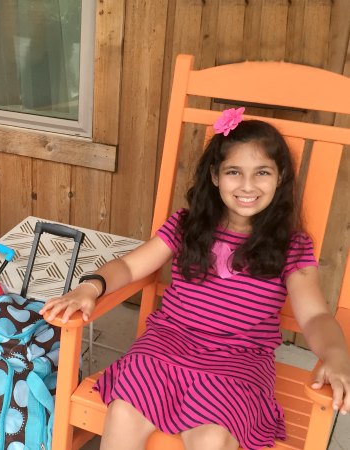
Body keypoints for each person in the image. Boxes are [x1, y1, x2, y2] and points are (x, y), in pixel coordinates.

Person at [41, 108, 350, 450]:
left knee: (212, 438)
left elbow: (316, 316)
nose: (248, 185)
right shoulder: (186, 226)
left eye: (262, 172)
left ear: (280, 179)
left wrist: (337, 356)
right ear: (216, 176)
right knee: (124, 413)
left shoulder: (290, 246)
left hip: (238, 362)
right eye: (235, 172)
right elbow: (129, 268)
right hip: (165, 347)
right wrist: (90, 286)